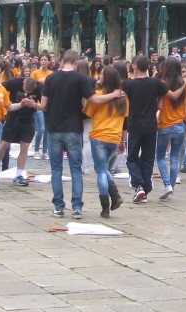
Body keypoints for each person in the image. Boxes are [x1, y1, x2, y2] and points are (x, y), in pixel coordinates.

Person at [40, 50, 123, 218]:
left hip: (54, 127)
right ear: (76, 62)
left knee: (56, 169)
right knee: (76, 169)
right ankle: (77, 207)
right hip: (73, 127)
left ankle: (58, 206)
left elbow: (43, 105)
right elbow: (95, 100)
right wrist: (114, 94)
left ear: (62, 61)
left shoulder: (51, 78)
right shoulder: (80, 79)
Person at [124, 55, 169, 202]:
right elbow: (164, 94)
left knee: (131, 158)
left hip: (135, 124)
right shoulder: (156, 84)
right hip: (150, 124)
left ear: (135, 66)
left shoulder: (128, 84)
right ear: (149, 67)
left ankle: (139, 185)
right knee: (148, 157)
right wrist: (158, 103)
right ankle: (146, 188)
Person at [86, 66, 127, 217]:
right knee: (103, 169)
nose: (99, 76)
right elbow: (124, 120)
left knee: (101, 171)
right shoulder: (123, 98)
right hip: (114, 137)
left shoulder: (98, 96)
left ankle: (105, 206)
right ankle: (115, 196)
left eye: (101, 75)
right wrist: (122, 141)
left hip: (99, 136)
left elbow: (88, 112)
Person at [154, 56, 186, 200]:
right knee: (175, 157)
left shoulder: (163, 84)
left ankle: (167, 184)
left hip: (164, 125)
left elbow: (160, 106)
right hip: (179, 125)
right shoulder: (185, 85)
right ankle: (172, 187)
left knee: (160, 157)